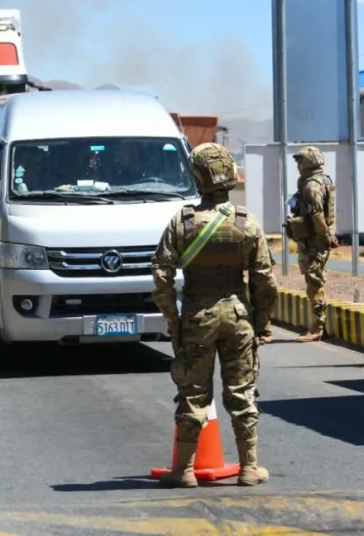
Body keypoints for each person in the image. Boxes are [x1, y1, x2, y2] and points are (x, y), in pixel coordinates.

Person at [150, 142, 278, 489]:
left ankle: (185, 470)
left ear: (197, 178)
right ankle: (249, 468)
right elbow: (266, 281)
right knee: (242, 391)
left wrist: (173, 320)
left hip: (197, 317)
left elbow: (161, 275)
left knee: (193, 393)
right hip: (238, 317)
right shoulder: (246, 222)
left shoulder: (183, 222)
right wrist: (262, 322)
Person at [286, 146, 338, 343]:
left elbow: (317, 215)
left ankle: (317, 328)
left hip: (314, 242)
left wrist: (325, 237)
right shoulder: (322, 180)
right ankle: (317, 324)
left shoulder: (311, 186)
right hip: (316, 240)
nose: (298, 165)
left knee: (315, 284)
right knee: (315, 282)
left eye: (300, 161)